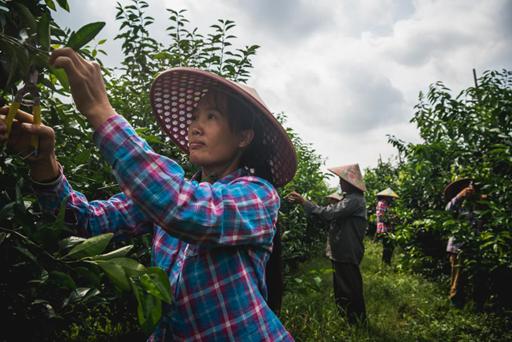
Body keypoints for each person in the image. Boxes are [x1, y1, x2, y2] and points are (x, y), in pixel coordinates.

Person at [0, 48, 298, 341]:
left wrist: (101, 112)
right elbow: (85, 223)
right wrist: (43, 162)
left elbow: (184, 209)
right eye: (195, 117)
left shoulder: (258, 196)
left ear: (243, 137)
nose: (195, 127)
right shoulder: (172, 194)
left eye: (212, 116)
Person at [286, 164, 367, 324]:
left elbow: (328, 213)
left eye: (342, 180)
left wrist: (305, 202)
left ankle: (356, 321)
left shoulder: (354, 200)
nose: (340, 183)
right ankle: (347, 318)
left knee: (350, 287)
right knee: (342, 287)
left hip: (347, 251)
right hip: (342, 250)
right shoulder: (349, 200)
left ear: (349, 183)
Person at [444, 178, 488, 309]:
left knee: (478, 276)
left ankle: (478, 304)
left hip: (477, 244)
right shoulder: (458, 203)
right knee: (458, 276)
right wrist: (460, 196)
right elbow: (448, 210)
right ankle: (456, 303)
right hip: (458, 245)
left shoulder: (479, 203)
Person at [374, 188, 399, 265]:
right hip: (384, 228)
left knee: (390, 247)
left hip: (388, 228)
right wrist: (392, 219)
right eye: (390, 197)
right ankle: (385, 263)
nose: (392, 199)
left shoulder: (387, 204)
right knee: (388, 247)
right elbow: (381, 217)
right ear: (386, 196)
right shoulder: (382, 203)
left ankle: (386, 263)